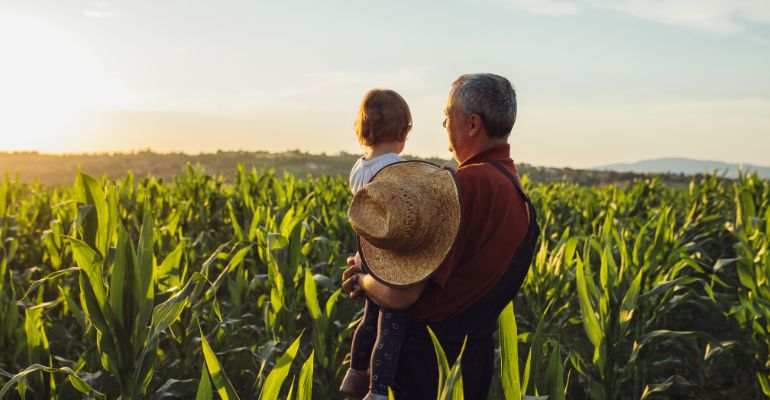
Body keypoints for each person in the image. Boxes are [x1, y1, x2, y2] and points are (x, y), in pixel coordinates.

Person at [342, 73, 541, 399]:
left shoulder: (461, 189)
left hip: (426, 366)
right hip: (472, 362)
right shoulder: (515, 190)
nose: (444, 125)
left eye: (448, 116)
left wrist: (362, 281)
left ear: (472, 124)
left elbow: (400, 297)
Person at [340, 88, 414, 400]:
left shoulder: (359, 167)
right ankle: (378, 390)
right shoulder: (397, 168)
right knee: (390, 326)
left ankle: (355, 373)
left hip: (365, 253)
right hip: (388, 259)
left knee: (369, 319)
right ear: (403, 132)